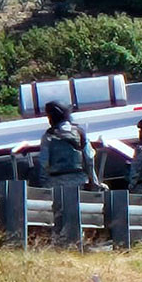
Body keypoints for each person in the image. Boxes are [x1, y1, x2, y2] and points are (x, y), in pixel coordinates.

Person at [39, 101, 106, 243]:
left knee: (58, 216)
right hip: (79, 182)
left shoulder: (48, 136)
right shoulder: (80, 132)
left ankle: (60, 243)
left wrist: (43, 184)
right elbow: (88, 159)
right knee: (77, 214)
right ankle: (78, 243)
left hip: (56, 183)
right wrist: (94, 182)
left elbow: (44, 162)